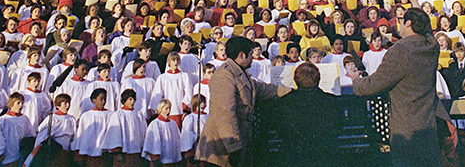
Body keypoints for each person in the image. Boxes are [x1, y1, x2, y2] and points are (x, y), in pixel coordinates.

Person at [352, 7, 442, 167]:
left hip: (406, 130)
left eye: (401, 21)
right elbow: (429, 33)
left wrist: (355, 80)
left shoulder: (400, 50)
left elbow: (371, 86)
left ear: (408, 23)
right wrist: (415, 4)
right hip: (428, 126)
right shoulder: (432, 47)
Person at [196, 36, 292, 167]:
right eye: (251, 54)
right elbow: (224, 114)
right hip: (221, 151)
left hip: (239, 144)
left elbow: (263, 89)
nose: (253, 57)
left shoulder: (240, 72)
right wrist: (233, 147)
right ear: (241, 55)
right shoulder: (224, 76)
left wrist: (292, 91)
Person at [273, 62, 341, 167]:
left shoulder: (285, 102)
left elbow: (280, 130)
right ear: (319, 79)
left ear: (295, 80)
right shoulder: (332, 101)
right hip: (325, 156)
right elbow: (338, 128)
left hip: (293, 157)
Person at [0, 92, 35, 167]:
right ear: (11, 104)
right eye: (18, 103)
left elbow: (30, 134)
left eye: (22, 103)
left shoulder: (24, 118)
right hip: (7, 155)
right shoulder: (3, 120)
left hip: (20, 153)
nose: (21, 105)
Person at [104, 89, 147, 167]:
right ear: (124, 100)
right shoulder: (118, 115)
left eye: (134, 99)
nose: (132, 101)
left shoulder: (138, 114)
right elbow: (115, 134)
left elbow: (144, 131)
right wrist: (117, 152)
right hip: (124, 152)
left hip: (136, 151)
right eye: (130, 99)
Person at [71, 88, 111, 167]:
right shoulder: (86, 116)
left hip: (104, 151)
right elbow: (81, 133)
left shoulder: (110, 115)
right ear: (94, 100)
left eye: (105, 99)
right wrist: (79, 150)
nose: (103, 102)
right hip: (89, 151)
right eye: (101, 99)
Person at [143, 99, 182, 166]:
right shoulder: (155, 124)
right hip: (160, 161)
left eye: (169, 108)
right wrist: (155, 158)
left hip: (171, 160)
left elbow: (177, 140)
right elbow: (152, 142)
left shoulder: (173, 124)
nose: (168, 111)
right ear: (161, 109)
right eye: (166, 108)